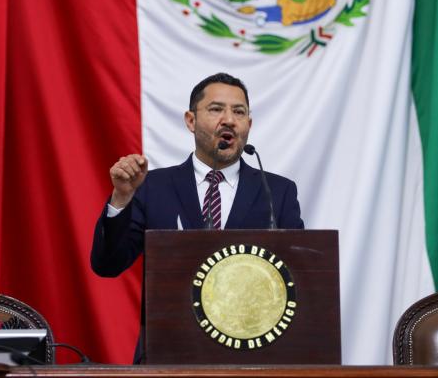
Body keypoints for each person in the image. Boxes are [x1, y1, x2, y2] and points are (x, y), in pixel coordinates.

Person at [91, 73, 304, 362]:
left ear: (249, 125)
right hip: (169, 357)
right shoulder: (152, 187)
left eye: (239, 112)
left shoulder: (276, 192)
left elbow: (298, 281)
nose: (229, 119)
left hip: (253, 360)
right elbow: (107, 264)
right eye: (216, 109)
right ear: (190, 121)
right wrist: (121, 198)